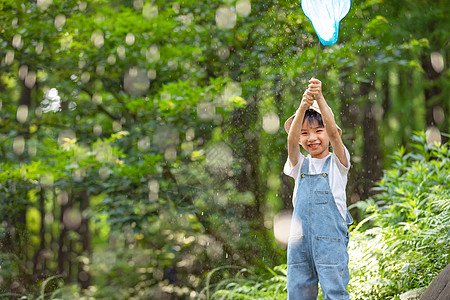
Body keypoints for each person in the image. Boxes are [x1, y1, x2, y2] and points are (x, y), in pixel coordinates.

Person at [284, 77, 353, 299]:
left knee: (334, 292)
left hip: (330, 241)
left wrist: (319, 98)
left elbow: (333, 134)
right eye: (305, 133)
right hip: (299, 244)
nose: (311, 138)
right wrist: (303, 106)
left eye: (318, 131)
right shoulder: (299, 165)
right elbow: (291, 142)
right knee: (298, 293)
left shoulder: (338, 163)